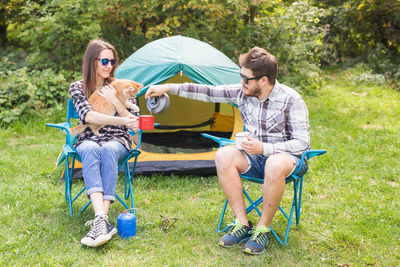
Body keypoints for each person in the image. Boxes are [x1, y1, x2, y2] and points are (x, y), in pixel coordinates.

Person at [145, 46, 310, 255]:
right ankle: (242, 223)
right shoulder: (242, 93)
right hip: (254, 157)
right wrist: (167, 88)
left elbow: (302, 143)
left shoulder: (291, 100)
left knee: (274, 162)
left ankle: (263, 228)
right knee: (223, 154)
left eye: (246, 78)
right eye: (240, 75)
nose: (241, 81)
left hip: (287, 160)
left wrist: (265, 148)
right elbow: (206, 92)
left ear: (263, 80)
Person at [69, 39, 139, 247]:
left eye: (113, 61)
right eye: (105, 61)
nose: (110, 65)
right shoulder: (78, 87)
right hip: (89, 136)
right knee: (90, 148)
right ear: (92, 61)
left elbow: (134, 126)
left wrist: (117, 101)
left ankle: (101, 221)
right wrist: (121, 119)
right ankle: (102, 219)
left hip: (118, 139)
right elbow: (88, 116)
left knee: (108, 148)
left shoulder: (122, 85)